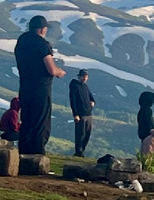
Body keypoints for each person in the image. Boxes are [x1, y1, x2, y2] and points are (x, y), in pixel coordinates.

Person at [14, 15, 65, 155]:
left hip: (25, 87)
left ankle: (23, 155)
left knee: (27, 121)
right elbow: (51, 69)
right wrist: (59, 72)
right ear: (43, 29)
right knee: (41, 123)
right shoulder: (42, 44)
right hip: (41, 88)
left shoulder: (22, 41)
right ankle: (37, 156)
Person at [68, 69, 95, 157]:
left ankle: (82, 150)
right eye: (83, 76)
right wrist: (75, 114)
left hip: (88, 113)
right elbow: (73, 100)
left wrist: (92, 102)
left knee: (87, 133)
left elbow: (91, 97)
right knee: (80, 133)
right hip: (81, 114)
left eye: (86, 77)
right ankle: (78, 151)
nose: (85, 78)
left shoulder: (85, 86)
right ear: (79, 76)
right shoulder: (74, 86)